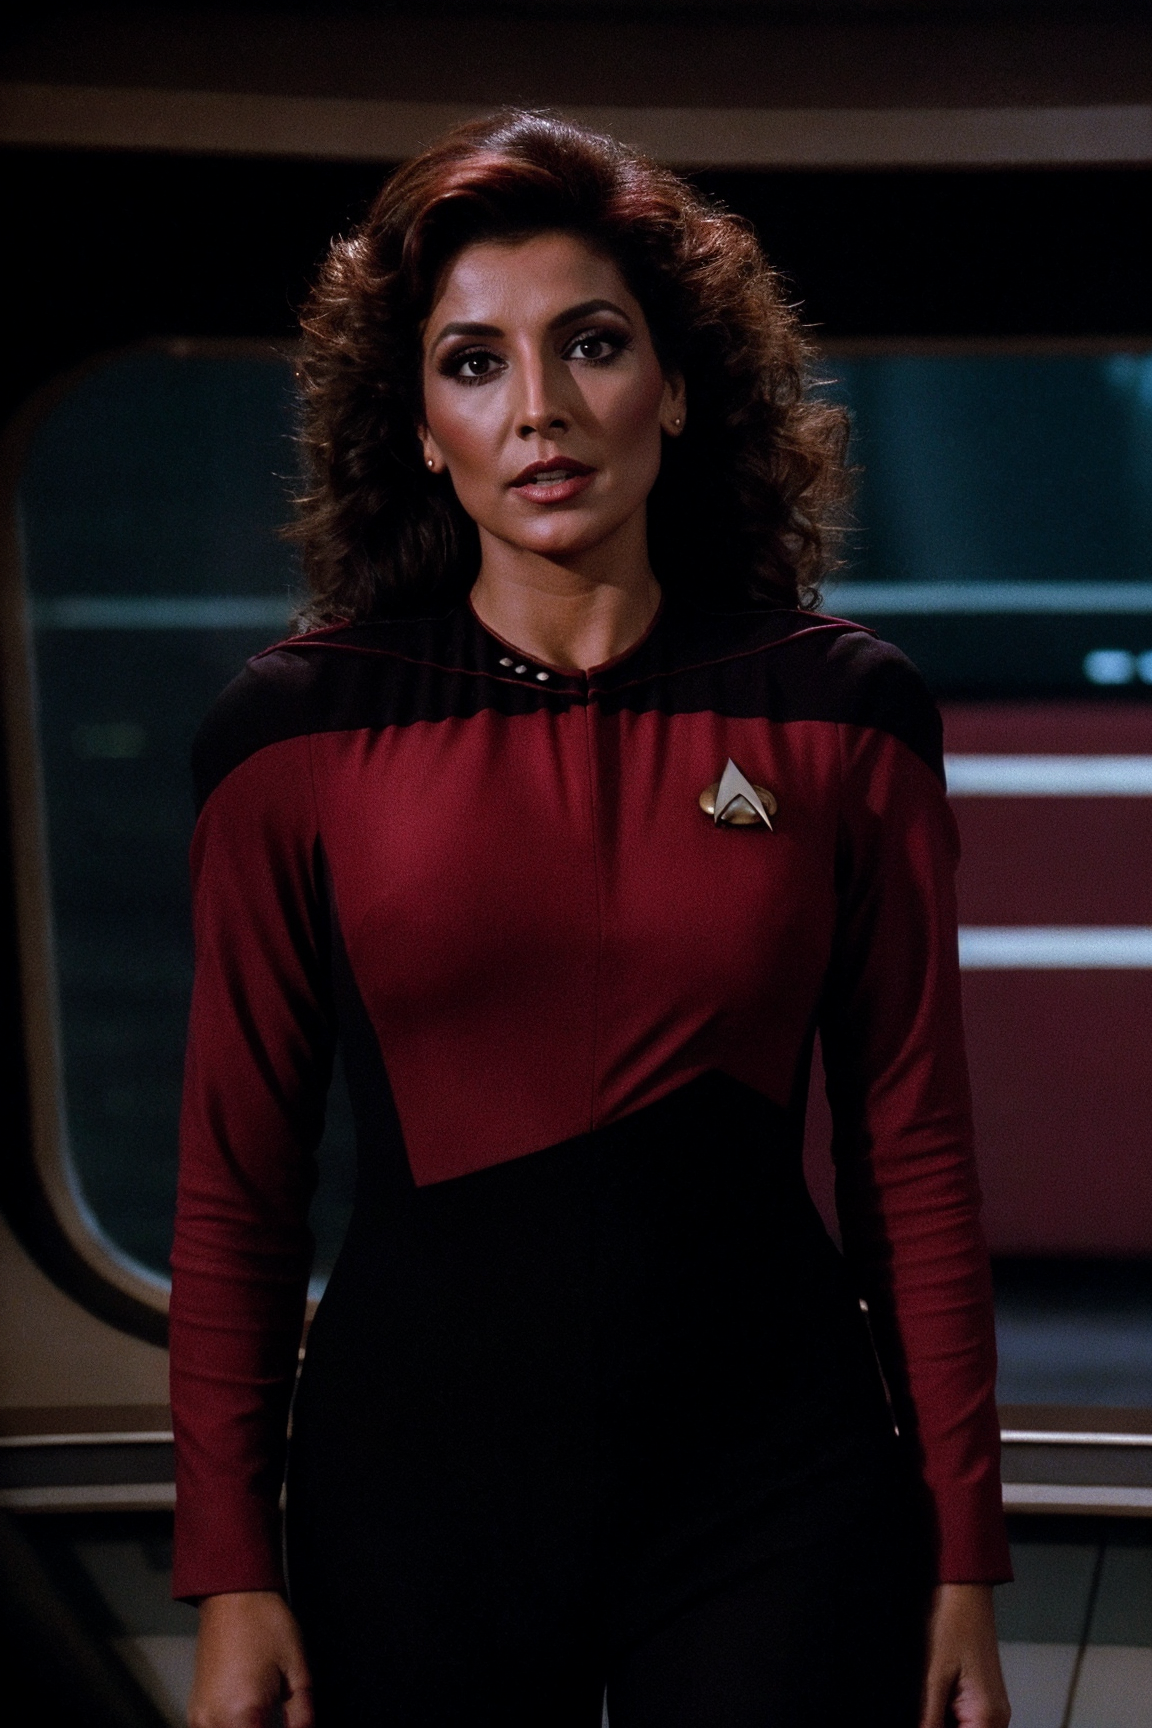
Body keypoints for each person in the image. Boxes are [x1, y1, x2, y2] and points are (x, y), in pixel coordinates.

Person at [172, 111, 1012, 1728]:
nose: (539, 409)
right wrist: (229, 1572)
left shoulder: (842, 713)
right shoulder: (291, 737)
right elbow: (236, 1190)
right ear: (422, 428)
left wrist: (964, 1550)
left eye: (593, 344)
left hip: (779, 1495)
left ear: (678, 388)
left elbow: (914, 1157)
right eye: (473, 364)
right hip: (413, 1504)